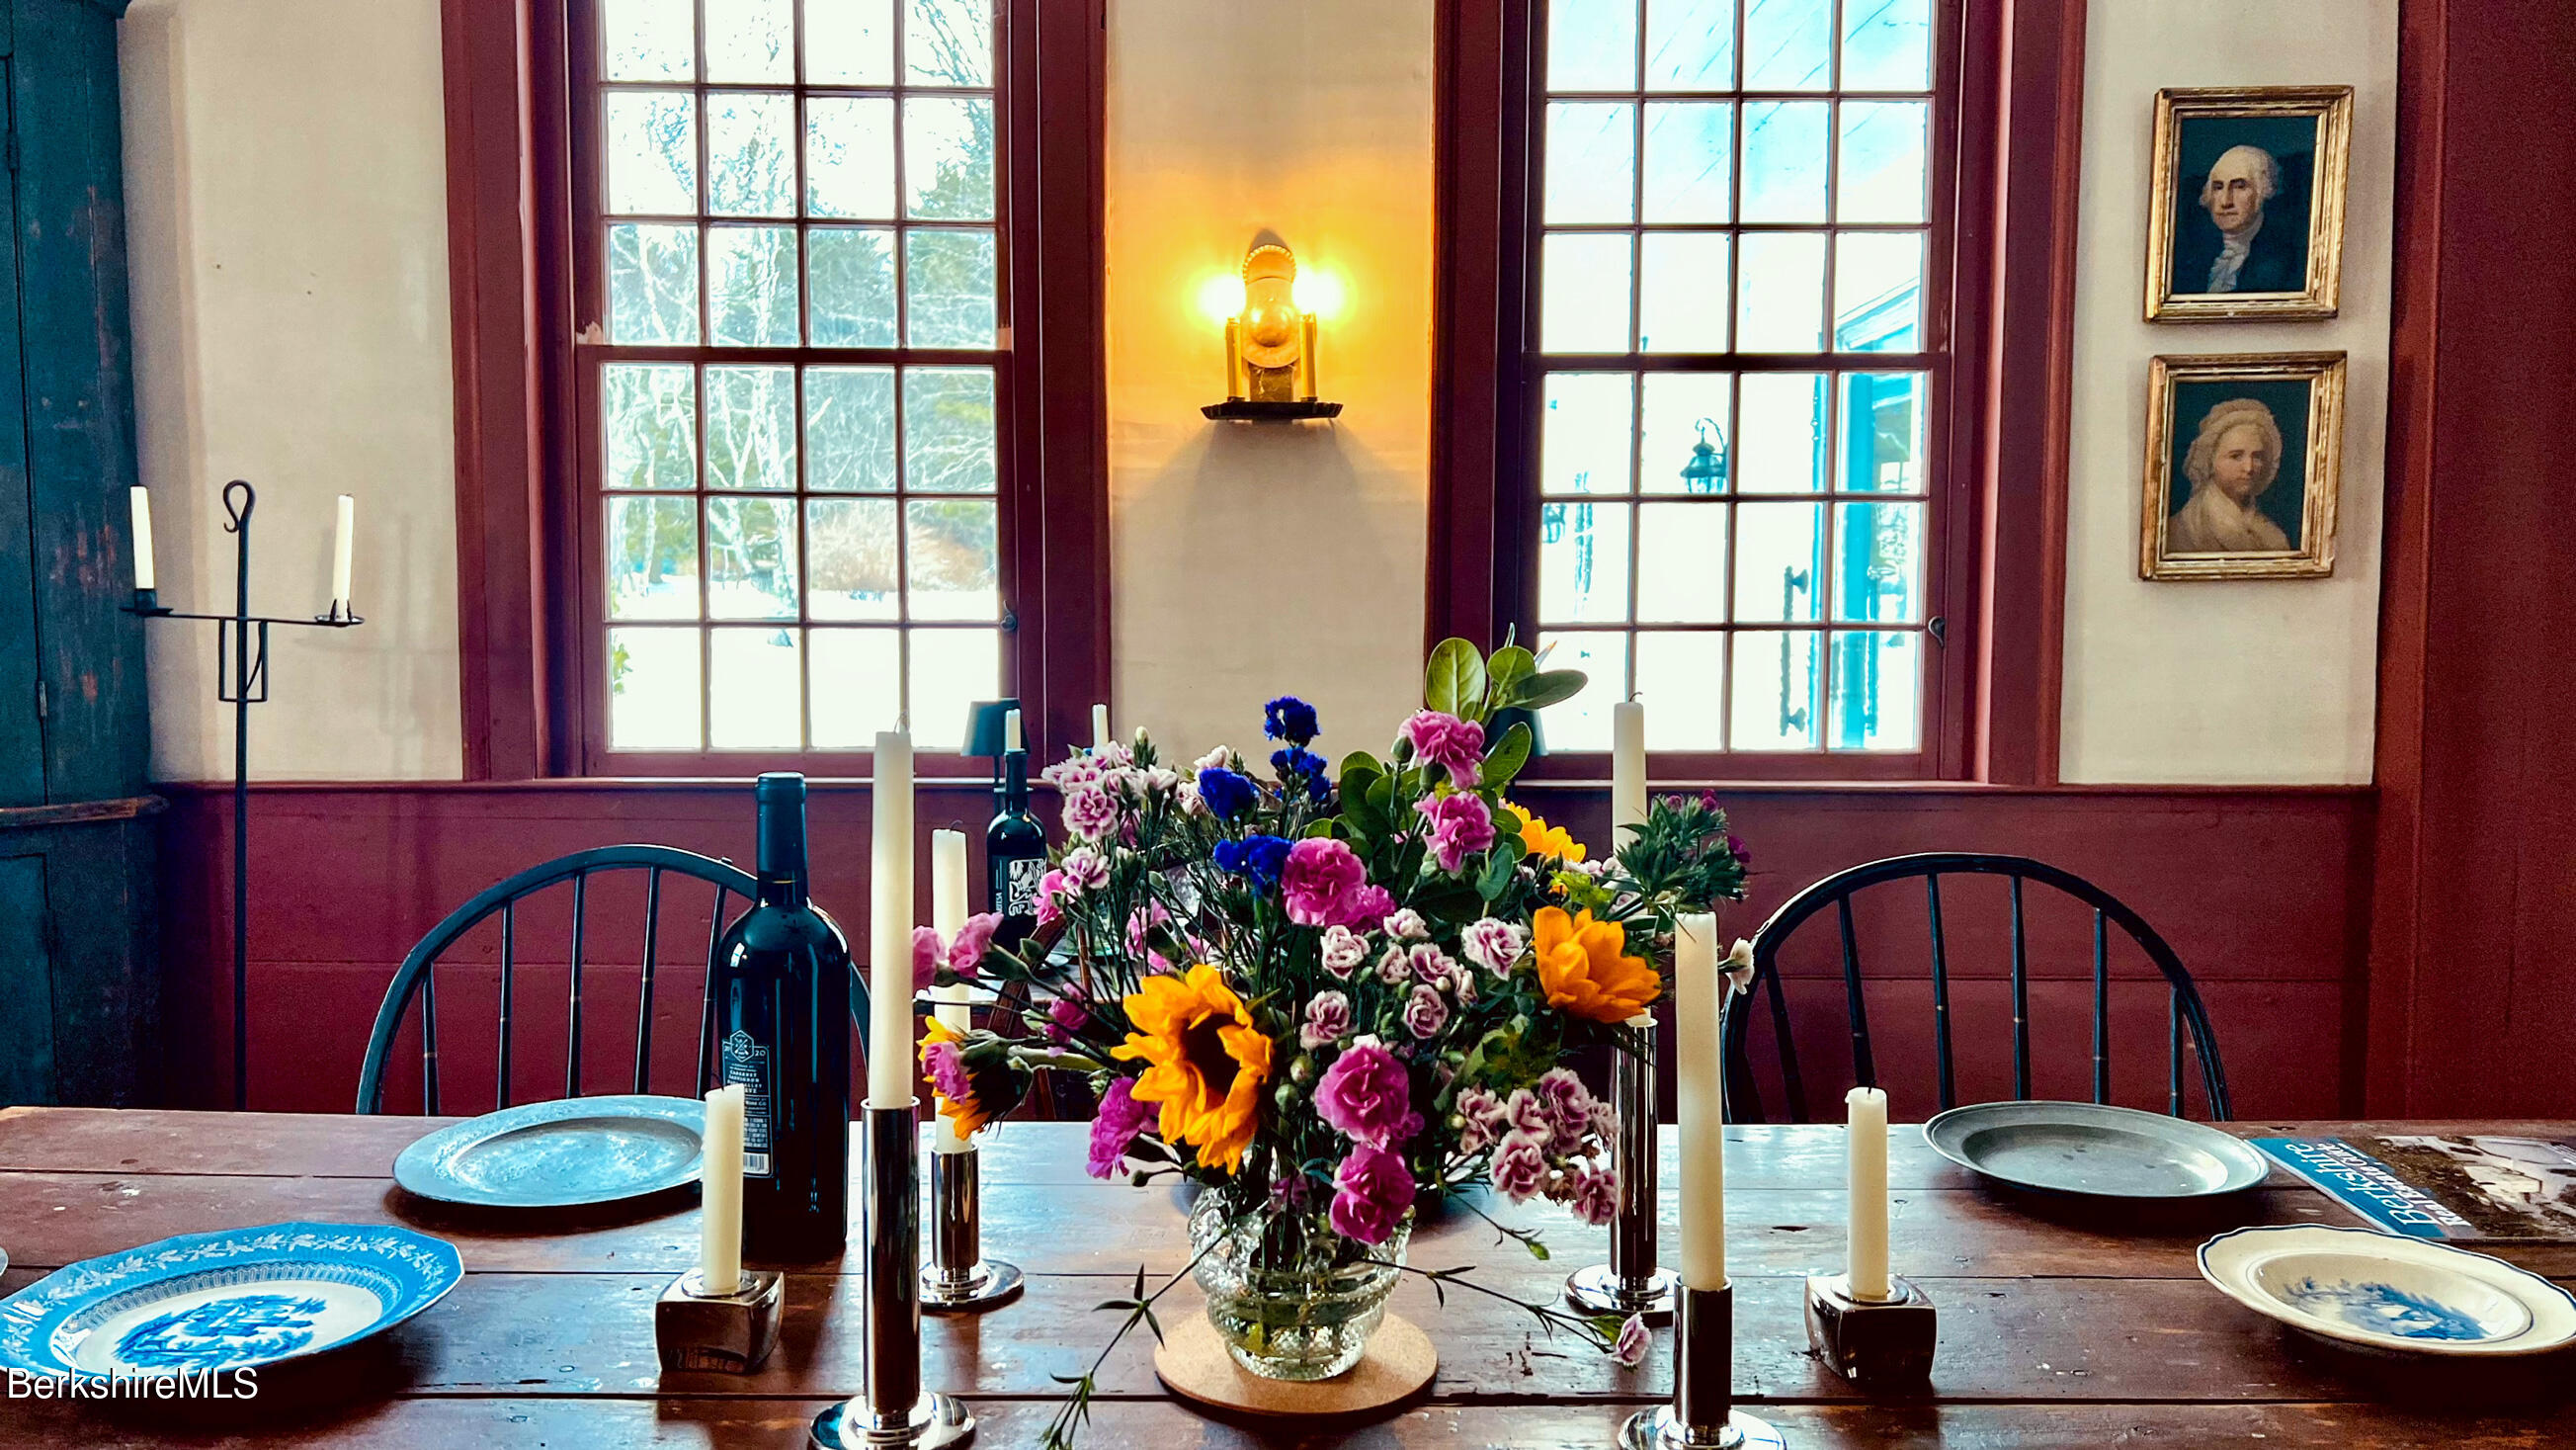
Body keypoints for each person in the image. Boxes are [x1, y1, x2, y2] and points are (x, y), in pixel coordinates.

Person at [2172, 143, 2307, 295]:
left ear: (2263, 191)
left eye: (2240, 186)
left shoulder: (2287, 261)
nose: (2225, 202)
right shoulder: (2192, 257)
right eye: (2218, 187)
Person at [2167, 397, 2292, 554]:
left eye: (2257, 456)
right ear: (2210, 460)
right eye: (2236, 456)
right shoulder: (2182, 530)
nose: (2249, 468)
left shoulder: (2272, 536)